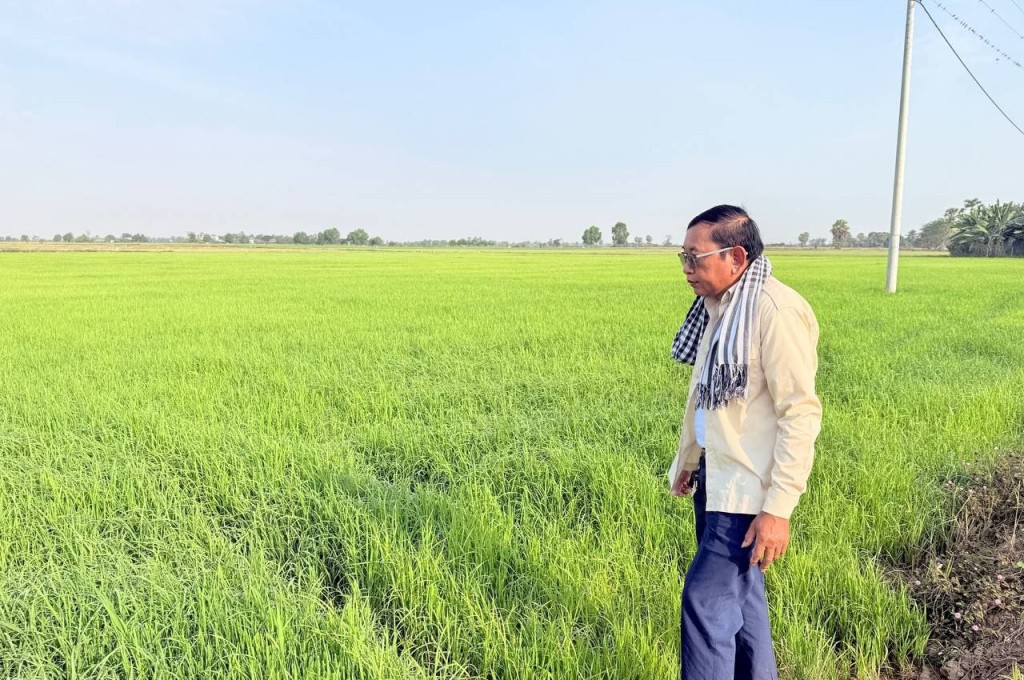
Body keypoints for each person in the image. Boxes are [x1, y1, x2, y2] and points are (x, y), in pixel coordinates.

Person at [667, 205, 822, 679]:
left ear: (735, 256)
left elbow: (800, 413)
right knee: (742, 597)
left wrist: (778, 509)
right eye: (683, 257)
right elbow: (709, 399)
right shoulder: (720, 308)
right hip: (717, 477)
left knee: (705, 602)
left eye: (695, 257)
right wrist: (691, 459)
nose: (687, 268)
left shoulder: (774, 311)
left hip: (747, 491)